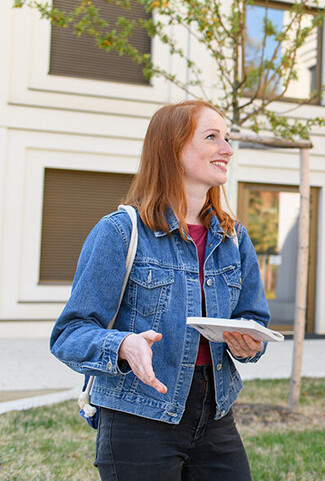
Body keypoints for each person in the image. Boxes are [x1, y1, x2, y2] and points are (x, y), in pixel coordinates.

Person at [50, 100, 271, 481]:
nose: (227, 150)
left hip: (215, 414)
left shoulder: (234, 237)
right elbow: (69, 334)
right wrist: (122, 345)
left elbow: (254, 318)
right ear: (173, 148)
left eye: (228, 138)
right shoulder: (120, 232)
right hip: (139, 415)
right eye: (212, 137)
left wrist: (249, 340)